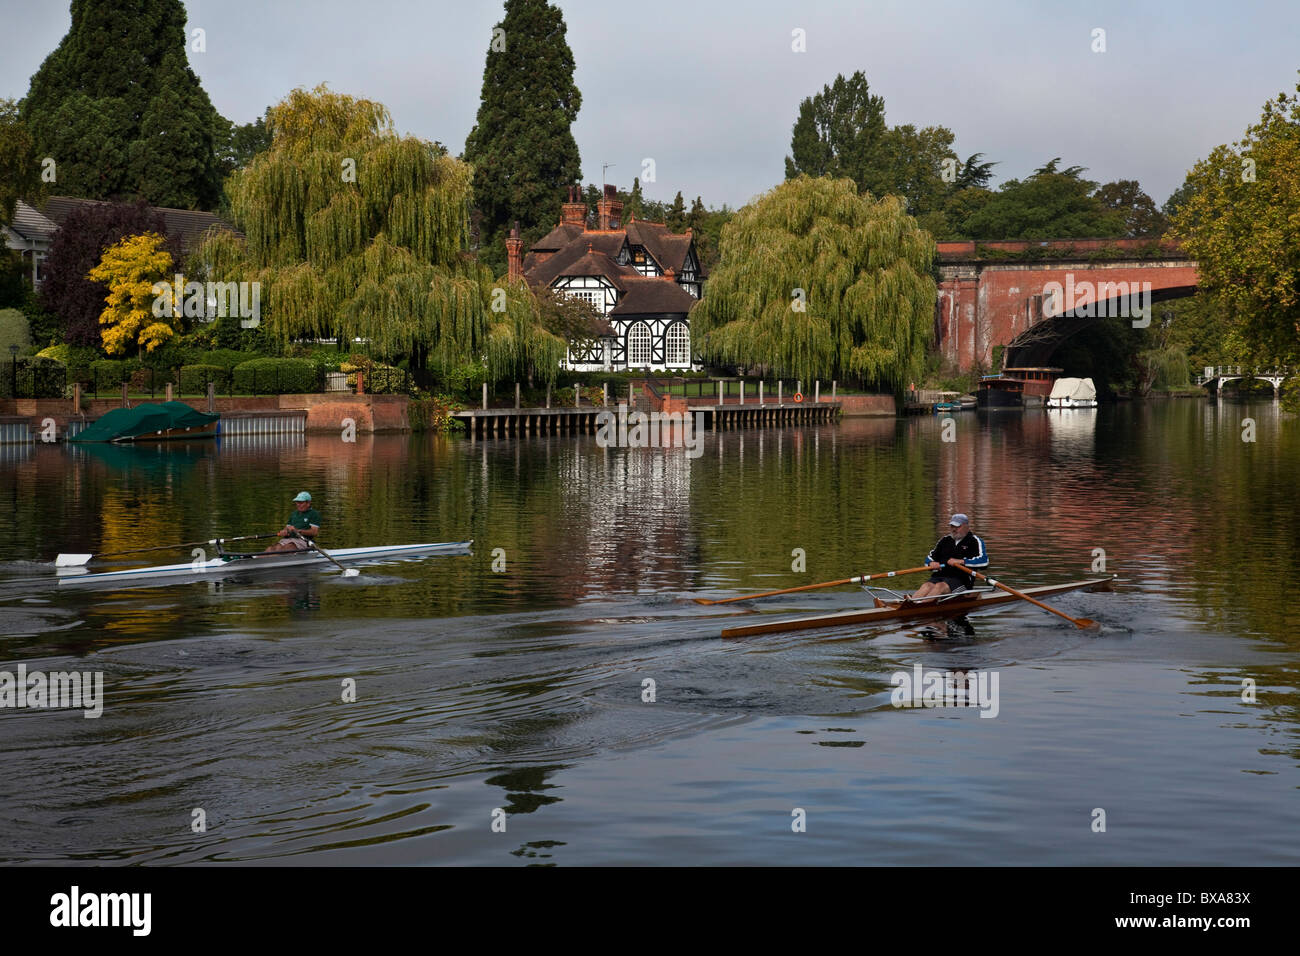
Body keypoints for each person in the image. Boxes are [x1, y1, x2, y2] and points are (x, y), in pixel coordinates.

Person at [912, 513, 988, 599]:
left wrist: (961, 561)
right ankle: (910, 604)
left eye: (957, 527)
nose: (954, 529)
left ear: (966, 527)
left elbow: (984, 562)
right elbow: (929, 558)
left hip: (961, 580)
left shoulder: (975, 541)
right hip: (939, 576)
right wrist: (931, 563)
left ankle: (922, 607)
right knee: (926, 586)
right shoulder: (944, 540)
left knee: (940, 586)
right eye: (952, 526)